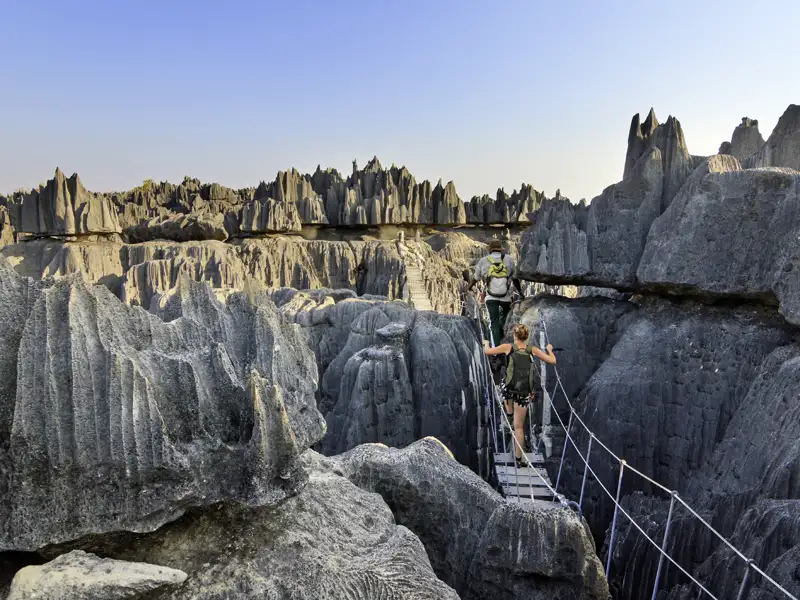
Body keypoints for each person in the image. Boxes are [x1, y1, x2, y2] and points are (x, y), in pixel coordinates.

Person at [483, 324, 556, 467]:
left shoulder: (507, 347)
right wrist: (549, 350)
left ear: (515, 336)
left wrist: (486, 343)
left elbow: (487, 352)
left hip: (510, 389)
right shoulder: (532, 350)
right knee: (519, 428)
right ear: (526, 336)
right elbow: (552, 361)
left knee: (503, 386)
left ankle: (509, 412)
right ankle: (518, 459)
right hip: (524, 392)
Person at [468, 239, 522, 346]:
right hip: (505, 297)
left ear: (490, 250)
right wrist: (520, 292)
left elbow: (476, 277)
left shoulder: (483, 261)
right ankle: (502, 332)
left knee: (494, 323)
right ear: (500, 250)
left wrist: (469, 287)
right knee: (505, 316)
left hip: (491, 298)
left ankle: (497, 350)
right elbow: (515, 278)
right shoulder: (509, 259)